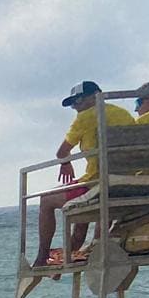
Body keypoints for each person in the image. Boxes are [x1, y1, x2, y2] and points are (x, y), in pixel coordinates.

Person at [34, 81, 135, 267]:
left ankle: (42, 257)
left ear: (95, 95)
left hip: (98, 184)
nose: (75, 107)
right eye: (73, 104)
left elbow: (61, 152)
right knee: (81, 211)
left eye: (78, 101)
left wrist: (65, 163)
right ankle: (66, 258)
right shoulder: (124, 114)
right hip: (126, 183)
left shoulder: (86, 117)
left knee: (46, 200)